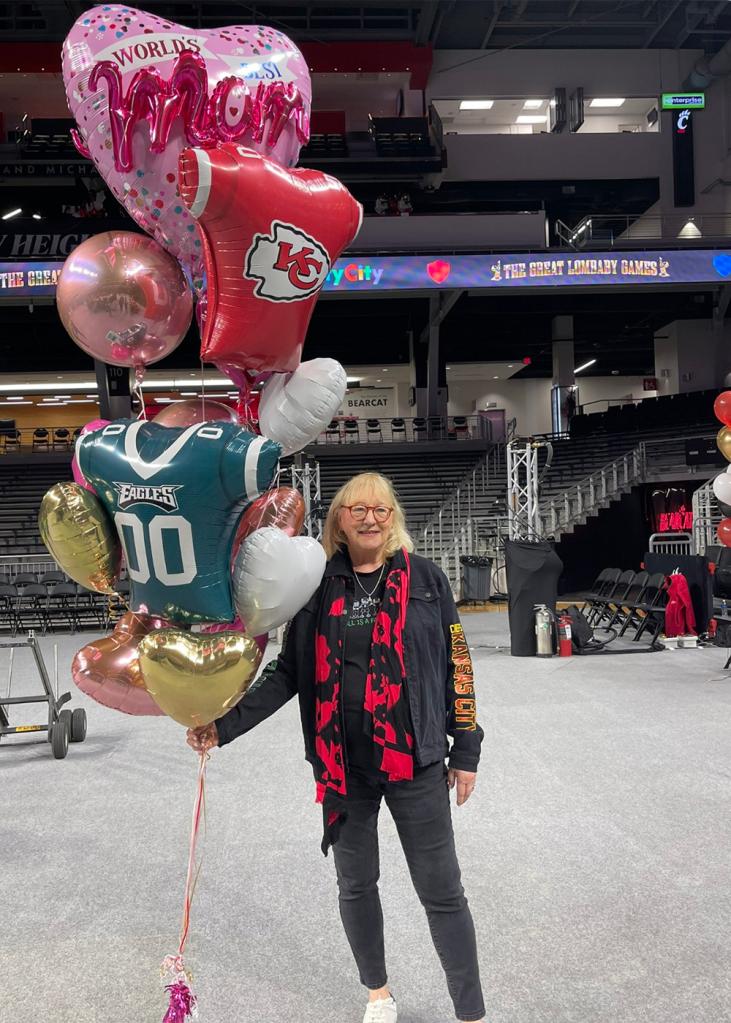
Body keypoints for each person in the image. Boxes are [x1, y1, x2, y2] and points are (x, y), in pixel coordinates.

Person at [187, 472, 486, 1023]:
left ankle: (470, 1011)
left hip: (415, 761)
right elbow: (288, 674)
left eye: (380, 508)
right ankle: (378, 993)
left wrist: (465, 749)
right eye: (356, 510)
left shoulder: (427, 579)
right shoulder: (317, 586)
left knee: (442, 891)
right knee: (356, 884)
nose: (369, 518)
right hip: (342, 768)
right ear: (339, 521)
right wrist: (222, 725)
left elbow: (456, 665)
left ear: (393, 517)